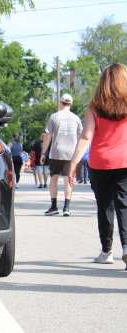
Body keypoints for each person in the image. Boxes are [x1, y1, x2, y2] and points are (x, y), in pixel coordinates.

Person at [69, 63, 127, 265]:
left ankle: (106, 251)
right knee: (124, 204)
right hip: (125, 161)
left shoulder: (94, 106)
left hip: (100, 163)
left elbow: (86, 137)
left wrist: (74, 163)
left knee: (105, 207)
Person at [40, 94, 83, 216]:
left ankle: (54, 206)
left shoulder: (54, 117)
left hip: (56, 152)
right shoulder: (76, 119)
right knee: (68, 179)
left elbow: (48, 136)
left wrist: (43, 153)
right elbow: (80, 137)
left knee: (54, 179)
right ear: (71, 104)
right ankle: (67, 208)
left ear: (60, 103)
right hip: (71, 153)